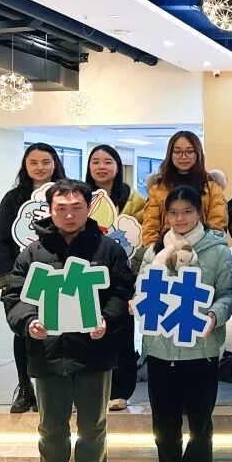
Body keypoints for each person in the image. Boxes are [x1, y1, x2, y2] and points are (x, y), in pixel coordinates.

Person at [1, 179, 136, 462]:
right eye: (61, 208)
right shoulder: (34, 253)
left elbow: (122, 291)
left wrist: (107, 320)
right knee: (51, 424)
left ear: (89, 208)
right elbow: (14, 295)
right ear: (50, 210)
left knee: (93, 422)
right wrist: (28, 322)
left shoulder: (107, 249)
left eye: (77, 207)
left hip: (94, 349)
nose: (69, 214)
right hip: (48, 350)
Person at [140, 185, 232, 462]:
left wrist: (214, 316)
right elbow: (142, 288)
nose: (180, 219)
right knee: (164, 423)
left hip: (200, 349)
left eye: (187, 212)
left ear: (200, 213)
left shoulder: (216, 251)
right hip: (159, 349)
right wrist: (136, 302)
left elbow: (228, 294)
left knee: (199, 422)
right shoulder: (154, 251)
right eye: (174, 212)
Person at [0, 143, 67, 414]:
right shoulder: (13, 199)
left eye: (45, 162)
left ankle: (61, 387)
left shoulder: (67, 193)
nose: (40, 167)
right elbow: (1, 240)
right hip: (22, 277)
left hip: (59, 276)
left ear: (55, 163)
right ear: (25, 165)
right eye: (33, 162)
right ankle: (25, 387)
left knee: (61, 331)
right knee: (24, 330)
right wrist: (6, 281)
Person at [85, 144, 145, 411]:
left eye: (108, 161)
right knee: (86, 331)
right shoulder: (80, 195)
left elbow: (143, 236)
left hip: (122, 274)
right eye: (95, 161)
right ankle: (87, 389)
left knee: (121, 332)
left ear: (118, 166)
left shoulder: (134, 200)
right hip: (86, 274)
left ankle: (120, 390)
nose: (101, 166)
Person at [142, 131, 228, 247]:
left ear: (198, 154)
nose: (183, 156)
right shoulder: (157, 189)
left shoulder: (212, 188)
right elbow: (150, 229)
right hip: (165, 250)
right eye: (177, 152)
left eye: (190, 151)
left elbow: (217, 225)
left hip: (204, 249)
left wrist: (204, 250)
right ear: (170, 154)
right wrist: (157, 252)